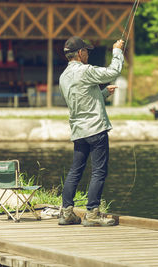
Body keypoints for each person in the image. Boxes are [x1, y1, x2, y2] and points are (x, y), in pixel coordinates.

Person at [58, 36, 124, 227]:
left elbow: (81, 101)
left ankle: (67, 213)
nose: (88, 53)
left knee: (75, 171)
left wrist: (103, 94)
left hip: (79, 132)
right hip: (96, 129)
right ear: (80, 53)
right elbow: (114, 71)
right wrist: (117, 51)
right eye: (86, 51)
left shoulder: (63, 77)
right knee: (99, 172)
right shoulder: (85, 71)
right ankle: (92, 214)